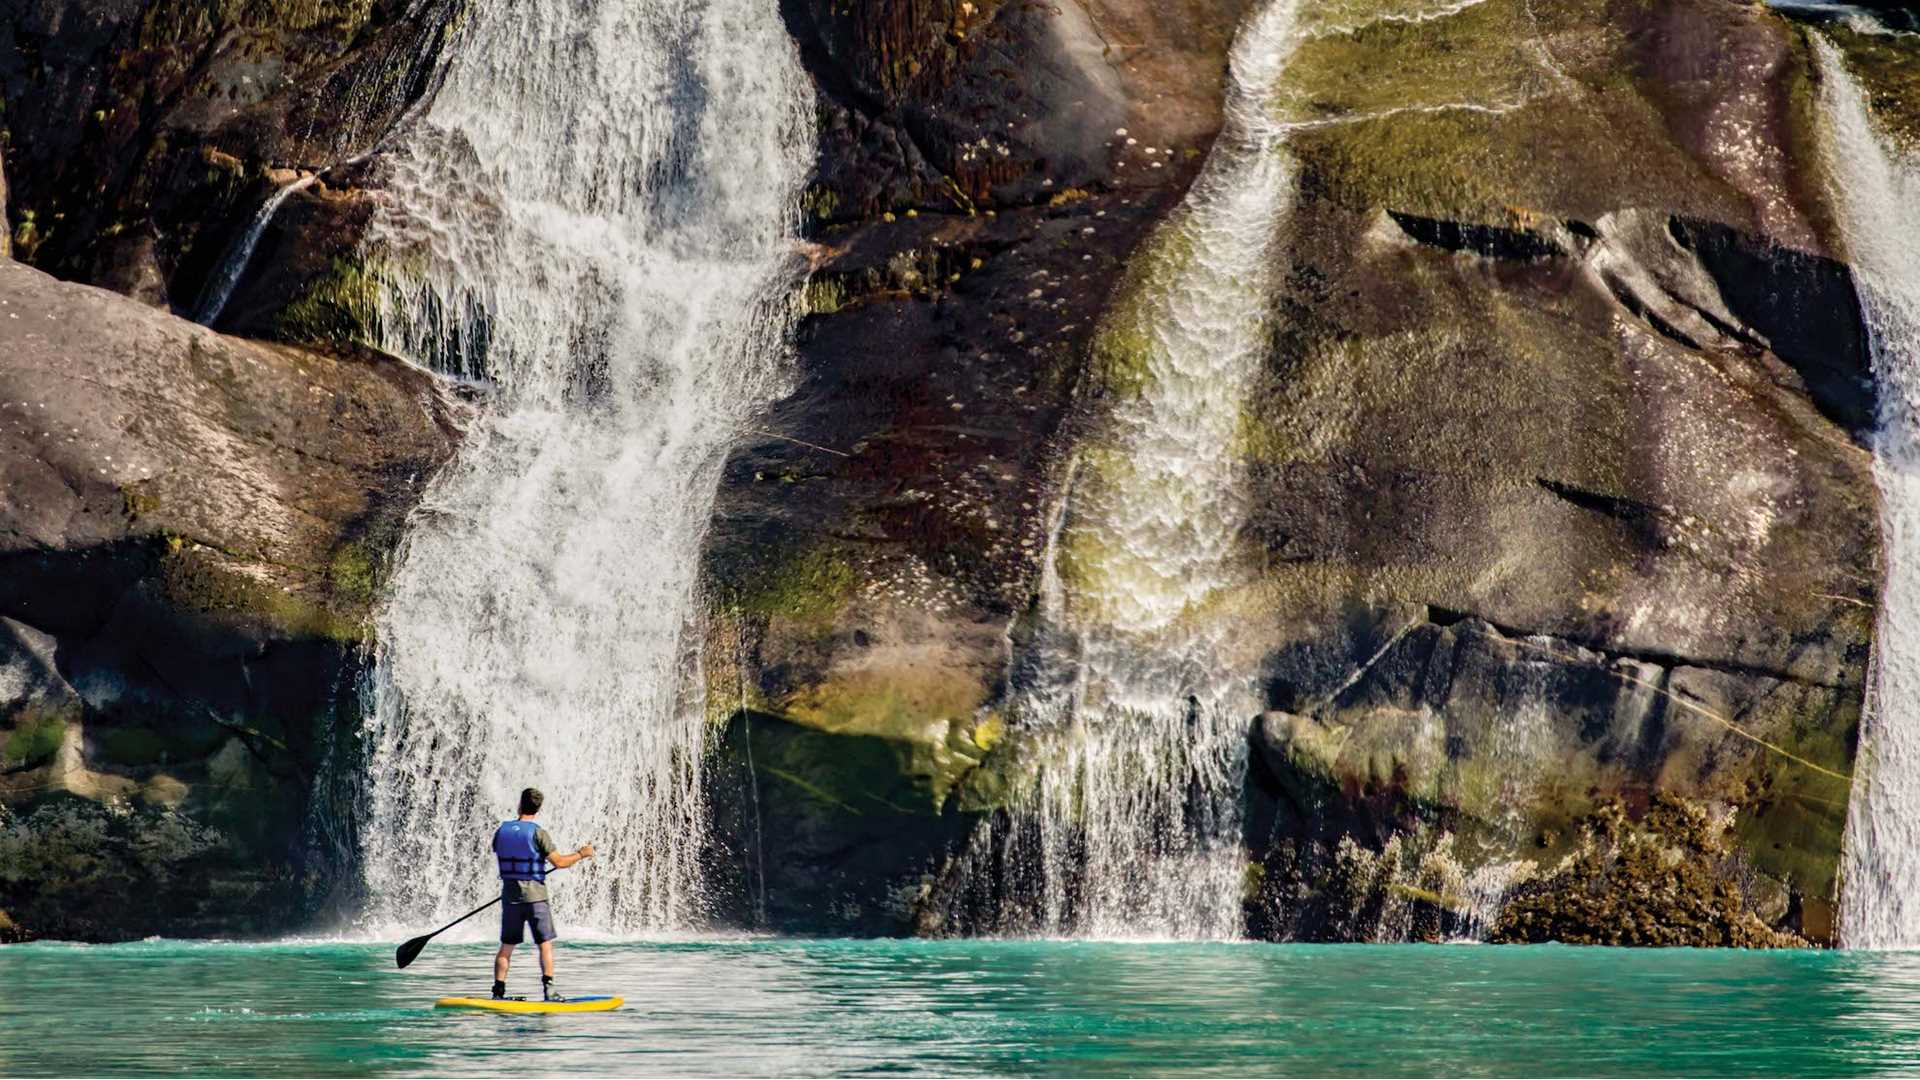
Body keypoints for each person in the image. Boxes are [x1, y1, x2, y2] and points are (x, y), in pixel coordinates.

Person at [490, 787, 594, 1001]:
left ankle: (498, 992)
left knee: (506, 947)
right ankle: (549, 990)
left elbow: (500, 851)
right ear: (538, 809)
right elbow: (560, 862)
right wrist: (582, 854)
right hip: (536, 897)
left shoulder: (501, 831)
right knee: (544, 944)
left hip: (511, 897)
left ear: (520, 804)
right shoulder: (538, 833)